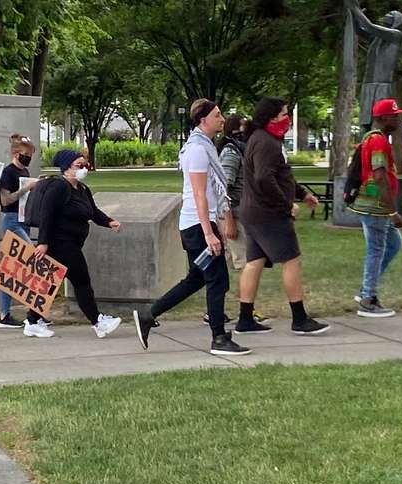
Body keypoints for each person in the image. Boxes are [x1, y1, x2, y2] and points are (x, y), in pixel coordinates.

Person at [132, 100, 251, 357]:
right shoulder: (197, 149)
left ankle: (148, 315)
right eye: (217, 115)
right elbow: (199, 193)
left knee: (198, 278)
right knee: (217, 280)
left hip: (197, 224)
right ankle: (219, 338)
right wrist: (209, 232)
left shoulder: (204, 146)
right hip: (198, 226)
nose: (222, 119)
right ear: (202, 120)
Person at [235, 97, 327, 336]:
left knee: (254, 262)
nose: (287, 118)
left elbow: (281, 174)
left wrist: (302, 193)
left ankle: (245, 319)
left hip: (253, 212)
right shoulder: (266, 142)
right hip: (268, 214)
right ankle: (299, 319)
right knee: (291, 260)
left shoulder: (263, 139)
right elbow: (264, 178)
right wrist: (286, 205)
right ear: (273, 117)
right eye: (285, 114)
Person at [24, 149, 122, 339]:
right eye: (79, 165)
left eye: (84, 164)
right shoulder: (58, 187)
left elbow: (92, 212)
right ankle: (97, 321)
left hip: (72, 242)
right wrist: (43, 243)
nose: (83, 168)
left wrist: (109, 221)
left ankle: (33, 321)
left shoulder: (83, 189)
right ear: (66, 168)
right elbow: (47, 216)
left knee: (50, 283)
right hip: (60, 243)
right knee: (81, 281)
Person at [349, 98, 402, 317]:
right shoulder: (379, 142)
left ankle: (366, 289)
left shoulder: (372, 138)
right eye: (395, 116)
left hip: (374, 204)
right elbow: (380, 176)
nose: (399, 119)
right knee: (376, 250)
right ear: (383, 118)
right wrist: (393, 212)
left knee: (393, 244)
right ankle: (367, 300)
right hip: (377, 207)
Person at [0, 134, 41, 329]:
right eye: (25, 154)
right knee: (33, 259)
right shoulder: (8, 173)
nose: (27, 158)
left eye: (30, 155)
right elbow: (5, 200)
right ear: (15, 153)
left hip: (24, 219)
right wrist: (26, 188)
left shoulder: (25, 171)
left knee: (12, 268)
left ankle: (8, 313)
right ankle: (26, 312)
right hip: (12, 220)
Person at [219, 115, 250, 272]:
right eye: (244, 126)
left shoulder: (240, 150)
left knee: (234, 264)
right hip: (234, 215)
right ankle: (246, 297)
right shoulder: (231, 152)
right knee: (245, 265)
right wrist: (229, 221)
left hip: (240, 213)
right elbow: (224, 188)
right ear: (235, 130)